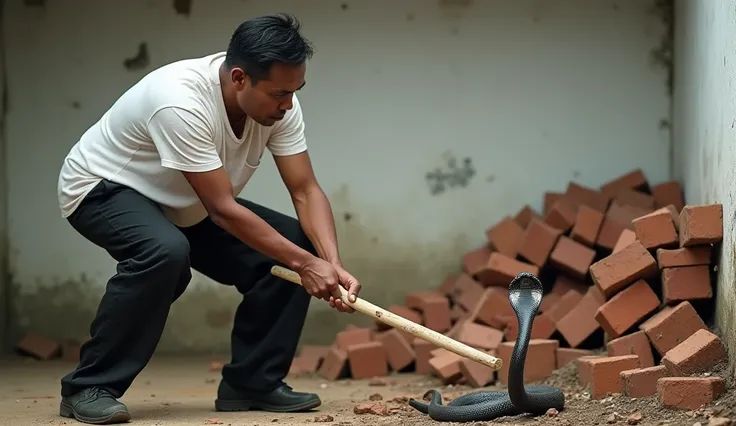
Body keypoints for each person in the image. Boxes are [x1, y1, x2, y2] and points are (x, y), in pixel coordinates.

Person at [55, 13, 361, 425]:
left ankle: (252, 382)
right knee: (164, 254)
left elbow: (305, 190)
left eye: (295, 91)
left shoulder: (280, 105)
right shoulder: (179, 100)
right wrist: (306, 266)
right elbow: (222, 209)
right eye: (278, 94)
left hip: (185, 200)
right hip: (102, 187)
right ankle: (88, 388)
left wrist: (330, 262)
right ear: (239, 78)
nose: (287, 105)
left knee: (296, 242)